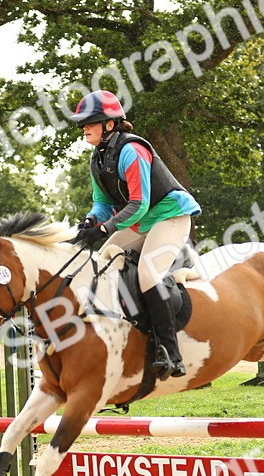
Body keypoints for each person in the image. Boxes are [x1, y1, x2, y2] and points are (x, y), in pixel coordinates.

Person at [70, 90, 201, 380]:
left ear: (109, 124)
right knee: (101, 263)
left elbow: (139, 203)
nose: (84, 128)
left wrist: (104, 229)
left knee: (147, 274)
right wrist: (91, 220)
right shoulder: (98, 158)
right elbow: (103, 204)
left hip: (170, 216)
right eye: (82, 123)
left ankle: (170, 352)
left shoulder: (132, 150)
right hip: (142, 223)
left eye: (90, 122)